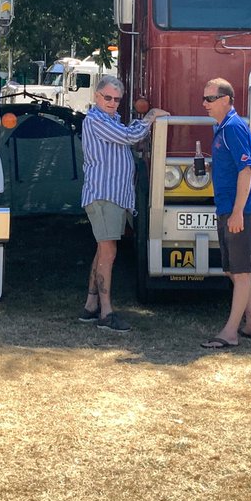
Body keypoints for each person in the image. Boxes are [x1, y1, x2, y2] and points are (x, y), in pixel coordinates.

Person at [78, 75, 167, 332]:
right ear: (96, 97)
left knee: (102, 251)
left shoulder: (110, 120)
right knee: (109, 253)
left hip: (113, 196)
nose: (113, 103)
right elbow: (129, 136)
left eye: (117, 99)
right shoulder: (95, 120)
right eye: (108, 98)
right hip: (104, 195)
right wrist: (150, 117)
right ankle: (106, 313)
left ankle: (91, 306)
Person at [200, 77, 251, 349]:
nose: (204, 104)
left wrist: (238, 212)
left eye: (210, 99)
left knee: (240, 273)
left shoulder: (233, 128)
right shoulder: (222, 128)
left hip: (241, 211)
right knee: (233, 271)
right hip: (228, 208)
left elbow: (246, 170)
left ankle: (230, 333)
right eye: (204, 98)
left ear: (226, 100)